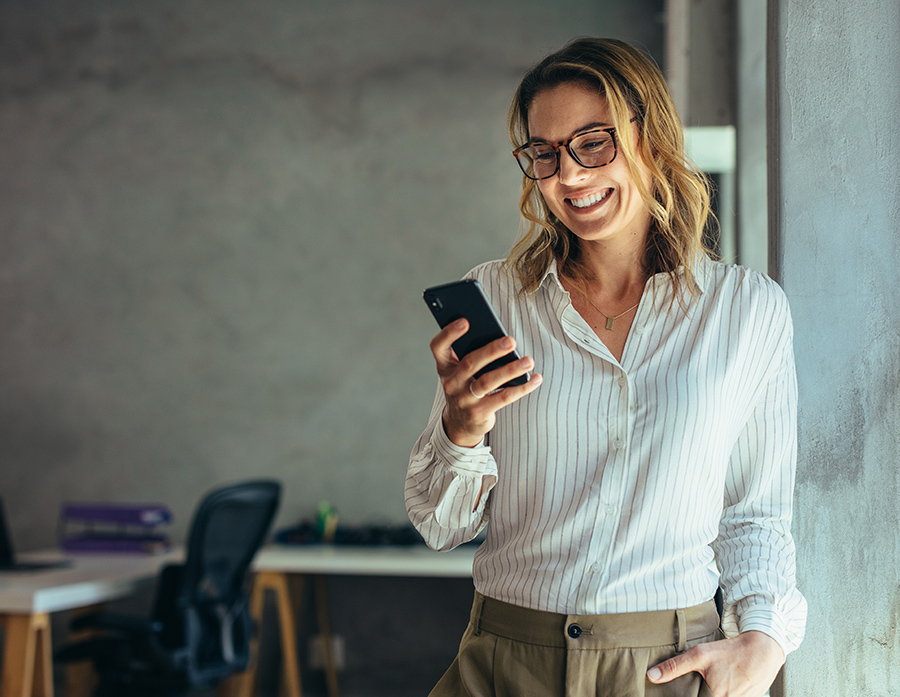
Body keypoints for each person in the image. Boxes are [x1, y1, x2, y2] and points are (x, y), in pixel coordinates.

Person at [406, 37, 806, 697]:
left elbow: (756, 513)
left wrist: (763, 639)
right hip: (505, 660)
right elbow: (439, 523)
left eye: (594, 142)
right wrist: (461, 427)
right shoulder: (499, 299)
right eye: (544, 153)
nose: (567, 176)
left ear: (652, 138)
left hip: (663, 667)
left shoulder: (747, 310)